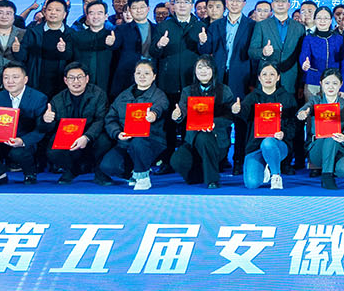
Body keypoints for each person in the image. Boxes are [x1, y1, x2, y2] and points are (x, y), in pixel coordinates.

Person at [101, 59, 171, 190]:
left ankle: (143, 176)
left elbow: (161, 107)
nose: (142, 76)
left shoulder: (159, 95)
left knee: (138, 142)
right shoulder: (123, 96)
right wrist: (117, 133)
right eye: (138, 73)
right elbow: (110, 118)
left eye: (146, 73)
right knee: (107, 166)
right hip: (126, 141)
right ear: (134, 75)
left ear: (154, 76)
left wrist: (153, 115)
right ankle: (132, 174)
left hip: (151, 141)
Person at [167, 55, 232, 188]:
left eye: (207, 67)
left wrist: (214, 123)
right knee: (177, 160)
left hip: (216, 139)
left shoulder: (224, 90)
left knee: (204, 137)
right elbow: (182, 111)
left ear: (213, 70)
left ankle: (212, 180)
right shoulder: (187, 91)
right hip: (193, 139)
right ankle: (201, 174)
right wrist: (177, 115)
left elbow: (230, 116)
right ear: (195, 71)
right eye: (200, 67)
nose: (203, 71)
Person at [0, 62, 48, 185]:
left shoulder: (38, 98)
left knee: (18, 152)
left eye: (15, 77)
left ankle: (30, 174)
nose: (10, 81)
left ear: (25, 79)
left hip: (25, 140)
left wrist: (22, 141)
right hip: (4, 139)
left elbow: (40, 129)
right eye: (6, 77)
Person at [46, 63, 109, 184]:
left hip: (92, 134)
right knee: (53, 151)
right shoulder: (57, 99)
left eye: (80, 77)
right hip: (70, 134)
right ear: (65, 80)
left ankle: (99, 172)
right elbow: (49, 127)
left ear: (87, 78)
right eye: (71, 78)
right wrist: (46, 120)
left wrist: (87, 137)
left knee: (105, 141)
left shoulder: (99, 94)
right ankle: (72, 169)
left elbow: (101, 119)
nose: (76, 81)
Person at [297, 67, 344, 189]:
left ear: (341, 84)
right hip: (317, 148)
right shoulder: (315, 100)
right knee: (330, 134)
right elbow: (306, 108)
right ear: (321, 84)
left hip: (338, 147)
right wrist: (303, 113)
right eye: (327, 83)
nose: (331, 87)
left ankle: (329, 167)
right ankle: (327, 175)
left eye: (335, 83)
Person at [235, 63, 292, 189]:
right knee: (252, 184)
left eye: (272, 74)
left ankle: (276, 175)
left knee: (268, 143)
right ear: (259, 78)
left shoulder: (287, 98)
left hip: (277, 145)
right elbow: (243, 111)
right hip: (255, 146)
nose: (268, 77)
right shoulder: (252, 97)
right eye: (264, 74)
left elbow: (294, 124)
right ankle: (266, 164)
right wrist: (237, 109)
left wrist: (284, 133)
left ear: (278, 77)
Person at [299, 5, 344, 92]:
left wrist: (343, 88)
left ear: (330, 21)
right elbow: (304, 55)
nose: (322, 21)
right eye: (319, 18)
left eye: (326, 18)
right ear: (315, 20)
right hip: (313, 82)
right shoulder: (309, 38)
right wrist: (304, 63)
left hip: (334, 83)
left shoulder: (339, 39)